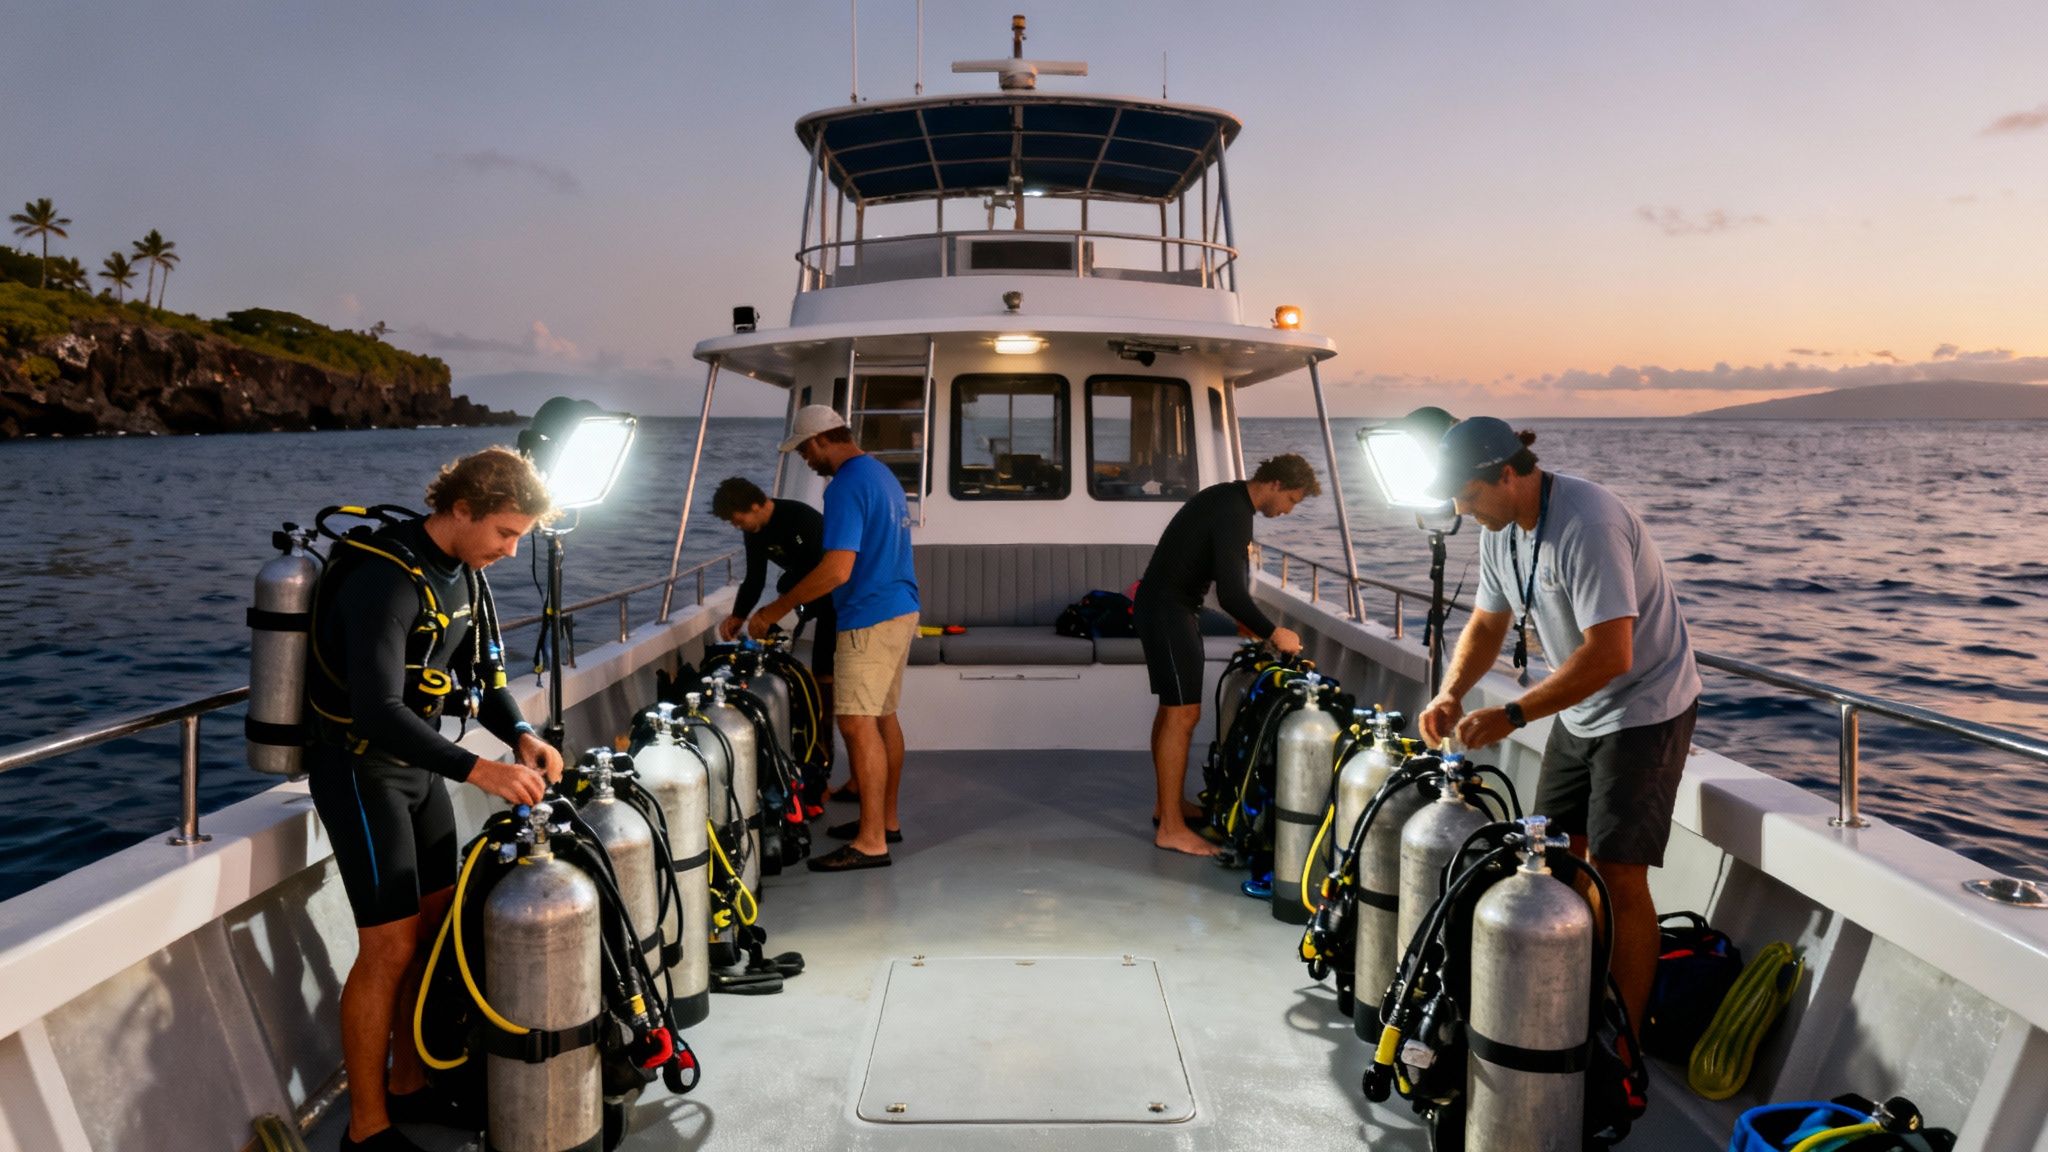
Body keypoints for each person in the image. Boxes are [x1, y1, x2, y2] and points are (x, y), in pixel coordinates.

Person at [304, 447, 564, 1152]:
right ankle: (366, 1129)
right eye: (506, 533)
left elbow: (483, 677)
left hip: (419, 773)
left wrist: (519, 735)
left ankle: (410, 1082)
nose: (511, 551)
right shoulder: (383, 579)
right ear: (461, 510)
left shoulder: (465, 576)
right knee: (386, 948)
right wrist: (479, 773)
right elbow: (377, 709)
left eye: (520, 538)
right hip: (362, 771)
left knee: (434, 924)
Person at [1415, 416, 1701, 1043]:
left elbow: (1611, 655)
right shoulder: (1499, 527)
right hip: (1579, 707)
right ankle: (1572, 997)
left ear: (1509, 474)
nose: (1462, 511)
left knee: (1621, 874)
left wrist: (1514, 714)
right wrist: (1451, 692)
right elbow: (1488, 624)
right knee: (1555, 859)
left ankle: (1620, 1039)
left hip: (1643, 708)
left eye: (1468, 496)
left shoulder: (1587, 522)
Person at [746, 405, 919, 872]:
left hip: (869, 615)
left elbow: (837, 569)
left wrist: (775, 610)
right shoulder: (880, 474)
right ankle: (885, 821)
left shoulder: (844, 485)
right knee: (883, 717)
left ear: (823, 439)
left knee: (855, 724)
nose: (806, 459)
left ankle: (870, 843)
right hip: (901, 607)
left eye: (805, 449)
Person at [1137, 453, 1317, 857]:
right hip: (1169, 611)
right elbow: (1232, 594)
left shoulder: (1228, 500)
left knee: (1172, 711)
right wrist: (1275, 632)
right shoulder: (1235, 512)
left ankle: (1167, 806)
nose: (1288, 511)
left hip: (1166, 607)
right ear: (1273, 484)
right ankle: (1170, 827)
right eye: (1291, 499)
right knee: (1183, 714)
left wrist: (1255, 629)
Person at [713, 476, 837, 795]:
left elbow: (828, 573)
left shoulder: (801, 519)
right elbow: (755, 578)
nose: (738, 527)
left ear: (756, 505)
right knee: (789, 676)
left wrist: (778, 611)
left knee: (824, 680)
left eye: (739, 520)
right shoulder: (755, 531)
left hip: (838, 600)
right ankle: (803, 765)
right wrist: (739, 615)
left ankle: (824, 770)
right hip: (800, 599)